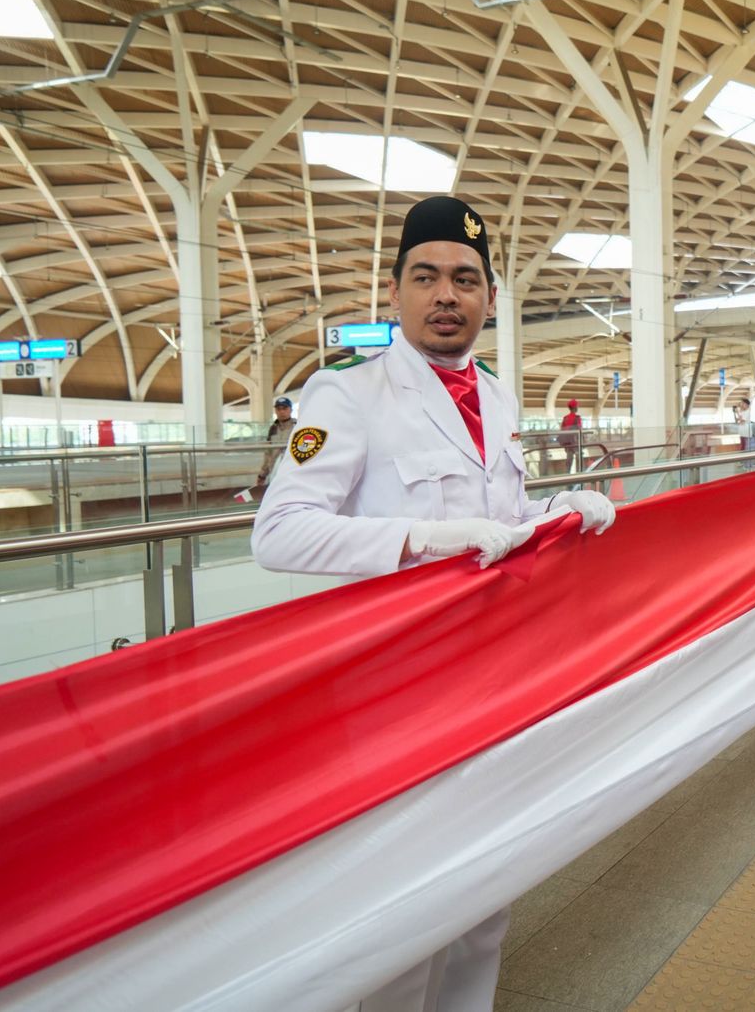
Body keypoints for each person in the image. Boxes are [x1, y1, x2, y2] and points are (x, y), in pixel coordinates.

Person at [252, 195, 617, 1012]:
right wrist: (419, 537)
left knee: (487, 893)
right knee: (404, 909)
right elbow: (279, 534)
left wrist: (558, 514)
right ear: (394, 293)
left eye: (464, 279)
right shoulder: (343, 394)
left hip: (493, 679)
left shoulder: (495, 393)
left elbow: (497, 526)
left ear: (489, 298)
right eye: (426, 277)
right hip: (394, 689)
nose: (445, 294)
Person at [256, 397, 296, 487]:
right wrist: (262, 475)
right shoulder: (273, 429)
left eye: (285, 408)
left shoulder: (297, 427)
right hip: (275, 473)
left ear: (291, 410)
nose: (282, 412)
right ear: (275, 411)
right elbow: (268, 453)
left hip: (292, 473)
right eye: (279, 409)